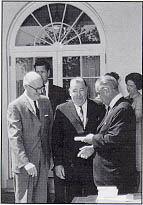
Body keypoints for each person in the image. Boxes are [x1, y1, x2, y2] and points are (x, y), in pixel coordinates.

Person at [77, 75, 137, 194]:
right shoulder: (114, 108)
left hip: (115, 178)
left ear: (106, 90)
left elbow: (115, 139)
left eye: (99, 93)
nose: (98, 97)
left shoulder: (122, 108)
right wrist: (94, 147)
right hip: (110, 177)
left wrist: (93, 139)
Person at [52, 77, 105, 203]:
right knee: (72, 199)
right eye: (75, 91)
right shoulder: (61, 109)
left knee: (93, 199)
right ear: (69, 92)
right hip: (71, 166)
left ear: (87, 90)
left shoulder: (98, 107)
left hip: (93, 166)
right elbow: (56, 139)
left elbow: (103, 134)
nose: (79, 94)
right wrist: (58, 164)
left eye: (82, 90)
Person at [7, 71, 53, 203]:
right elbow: (15, 138)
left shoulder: (45, 101)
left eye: (42, 87)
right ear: (26, 87)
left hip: (43, 162)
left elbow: (49, 131)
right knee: (24, 201)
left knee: (41, 200)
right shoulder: (15, 106)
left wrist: (50, 158)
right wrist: (25, 162)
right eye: (37, 89)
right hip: (25, 165)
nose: (40, 92)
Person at [125, 72, 142, 192]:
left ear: (137, 86)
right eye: (127, 85)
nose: (128, 88)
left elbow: (138, 116)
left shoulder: (140, 100)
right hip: (127, 136)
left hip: (138, 136)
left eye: (131, 85)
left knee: (139, 165)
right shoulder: (125, 99)